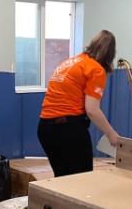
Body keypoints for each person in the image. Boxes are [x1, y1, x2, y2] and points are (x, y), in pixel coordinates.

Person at [37, 30, 123, 176]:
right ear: (110, 55)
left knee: (62, 179)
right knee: (81, 180)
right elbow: (92, 110)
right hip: (67, 130)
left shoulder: (70, 62)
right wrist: (111, 134)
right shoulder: (95, 69)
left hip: (45, 129)